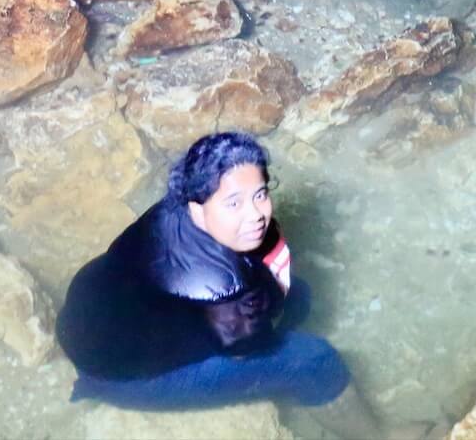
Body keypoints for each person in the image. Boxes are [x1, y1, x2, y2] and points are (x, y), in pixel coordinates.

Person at [57, 131, 379, 436]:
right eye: (234, 203)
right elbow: (245, 348)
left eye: (260, 194)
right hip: (118, 375)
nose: (256, 215)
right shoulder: (218, 284)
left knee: (301, 296)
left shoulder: (176, 208)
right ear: (199, 207)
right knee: (312, 360)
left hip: (90, 317)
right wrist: (264, 310)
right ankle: (380, 436)